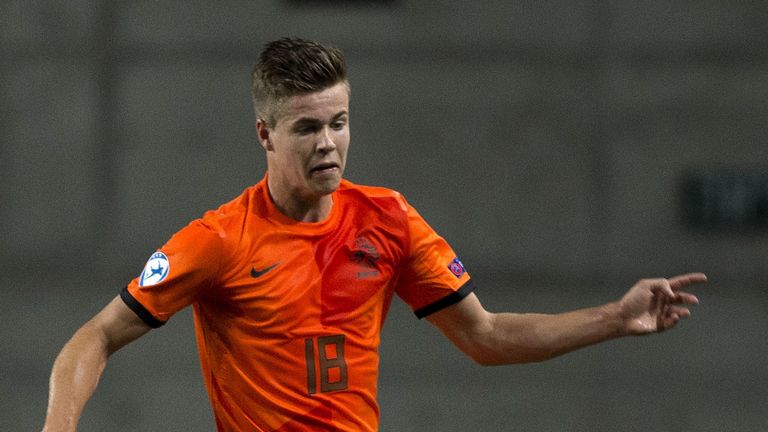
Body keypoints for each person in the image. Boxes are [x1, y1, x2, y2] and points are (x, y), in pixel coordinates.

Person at [42, 37, 706, 432]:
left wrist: (615, 319)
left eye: (339, 122)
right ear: (264, 135)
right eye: (307, 128)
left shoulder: (387, 219)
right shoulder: (220, 240)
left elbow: (486, 336)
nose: (329, 143)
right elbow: (94, 336)